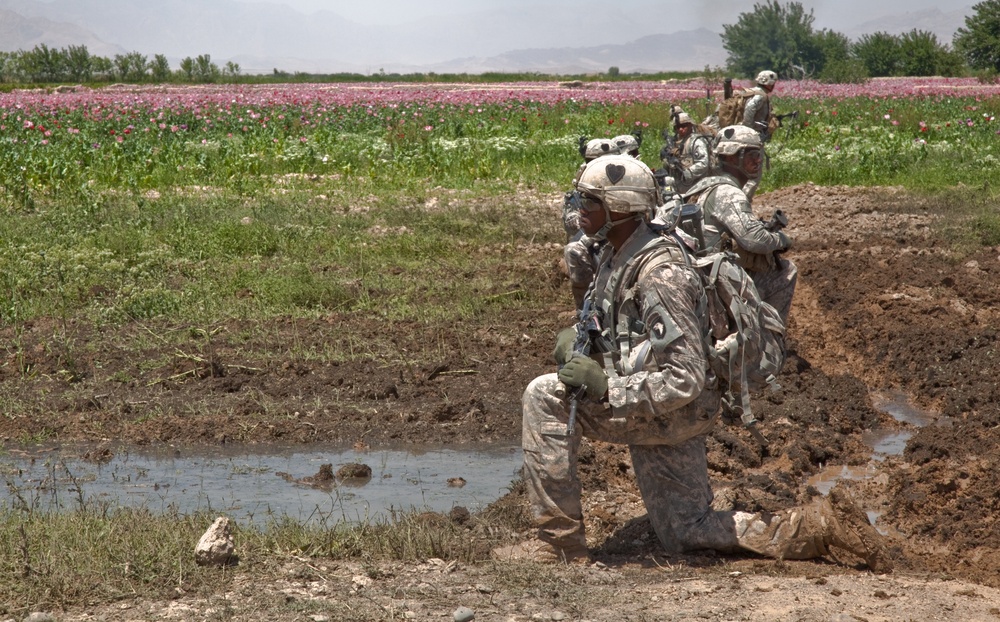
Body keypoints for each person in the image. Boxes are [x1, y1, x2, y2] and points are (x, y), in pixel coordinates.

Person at [491, 154, 890, 571]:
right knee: (686, 531)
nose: (579, 209)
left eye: (590, 201)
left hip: (673, 408)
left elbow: (684, 377)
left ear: (621, 207)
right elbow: (627, 332)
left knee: (544, 396)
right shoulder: (617, 253)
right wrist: (583, 341)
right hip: (666, 405)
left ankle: (559, 546)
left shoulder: (661, 274)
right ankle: (810, 528)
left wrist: (606, 388)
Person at [681, 125, 797, 325]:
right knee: (786, 271)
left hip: (703, 273)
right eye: (752, 154)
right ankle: (768, 339)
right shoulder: (729, 193)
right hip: (718, 281)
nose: (759, 160)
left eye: (758, 154)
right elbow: (754, 239)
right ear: (733, 157)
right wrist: (780, 240)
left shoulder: (707, 186)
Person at [562, 138, 618, 309]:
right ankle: (584, 309)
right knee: (573, 251)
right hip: (596, 241)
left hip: (625, 235)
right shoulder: (580, 192)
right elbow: (570, 221)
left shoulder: (629, 185)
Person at [742, 70, 778, 200]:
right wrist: (750, 132)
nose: (774, 85)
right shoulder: (760, 96)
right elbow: (749, 113)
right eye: (772, 83)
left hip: (746, 136)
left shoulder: (751, 93)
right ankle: (743, 203)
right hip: (752, 139)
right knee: (754, 175)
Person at [662, 111, 713, 195]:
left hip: (696, 189)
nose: (680, 129)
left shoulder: (696, 142)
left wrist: (687, 173)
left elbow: (703, 163)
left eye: (683, 126)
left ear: (690, 125)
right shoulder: (676, 142)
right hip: (680, 188)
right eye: (677, 127)